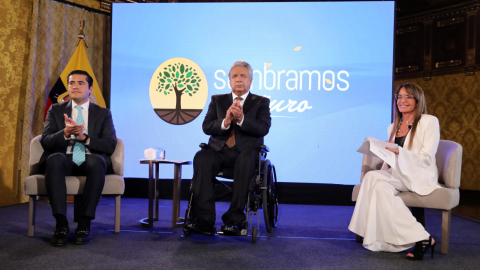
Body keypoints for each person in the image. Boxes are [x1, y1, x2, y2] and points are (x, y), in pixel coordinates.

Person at [348, 82, 440, 260]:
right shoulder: (393, 126)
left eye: (408, 96)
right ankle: (419, 237)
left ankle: (419, 237)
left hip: (418, 173)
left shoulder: (429, 121)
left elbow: (427, 157)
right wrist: (379, 149)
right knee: (373, 178)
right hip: (398, 172)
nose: (402, 100)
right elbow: (393, 157)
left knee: (376, 181)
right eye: (399, 97)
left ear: (417, 99)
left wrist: (400, 152)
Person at [185, 60, 271, 235]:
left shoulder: (260, 102)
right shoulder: (218, 100)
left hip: (246, 154)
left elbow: (263, 128)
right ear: (229, 81)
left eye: (243, 76)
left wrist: (241, 120)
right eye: (234, 76)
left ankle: (234, 219)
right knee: (201, 157)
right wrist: (225, 121)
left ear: (250, 81)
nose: (238, 79)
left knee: (246, 159)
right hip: (220, 152)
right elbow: (207, 127)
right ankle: (204, 220)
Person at [40, 70, 117, 246]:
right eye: (71, 83)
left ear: (90, 89)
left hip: (90, 158)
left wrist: (85, 138)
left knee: (98, 161)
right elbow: (46, 141)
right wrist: (65, 133)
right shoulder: (56, 109)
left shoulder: (103, 113)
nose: (75, 86)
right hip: (65, 157)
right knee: (54, 159)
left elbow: (110, 145)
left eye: (81, 83)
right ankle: (61, 224)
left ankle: (84, 224)